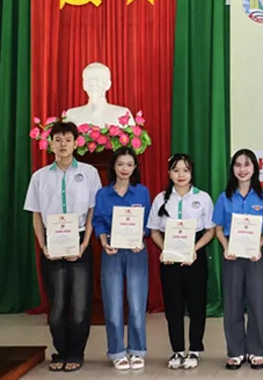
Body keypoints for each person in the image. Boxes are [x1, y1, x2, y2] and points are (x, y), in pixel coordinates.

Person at [24, 121, 102, 372]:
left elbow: (93, 211)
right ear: (50, 144)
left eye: (68, 139)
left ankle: (76, 352)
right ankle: (61, 351)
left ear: (76, 143)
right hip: (52, 242)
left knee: (80, 304)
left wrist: (85, 243)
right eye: (57, 140)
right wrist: (43, 246)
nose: (63, 144)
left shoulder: (89, 173)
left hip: (79, 240)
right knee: (56, 306)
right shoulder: (39, 177)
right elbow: (36, 215)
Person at [147, 153, 215, 369]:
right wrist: (164, 249)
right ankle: (176, 350)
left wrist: (194, 249)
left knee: (196, 305)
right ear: (169, 173)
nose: (181, 175)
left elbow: (210, 231)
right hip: (170, 257)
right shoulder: (161, 199)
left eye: (185, 170)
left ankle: (194, 350)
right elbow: (154, 230)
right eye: (176, 170)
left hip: (195, 254)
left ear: (191, 173)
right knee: (173, 306)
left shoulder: (203, 198)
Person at [213, 149, 263, 370]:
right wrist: (226, 246)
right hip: (233, 253)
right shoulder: (225, 197)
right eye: (237, 165)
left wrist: (259, 245)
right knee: (232, 302)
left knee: (256, 302)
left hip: (255, 253)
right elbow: (218, 228)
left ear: (255, 168)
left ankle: (256, 350)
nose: (242, 169)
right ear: (232, 169)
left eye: (247, 164)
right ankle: (236, 351)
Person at [92, 147, 151, 370]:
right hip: (112, 251)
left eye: (129, 164)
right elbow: (98, 221)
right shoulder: (103, 194)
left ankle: (137, 350)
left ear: (135, 167)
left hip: (136, 252)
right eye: (120, 164)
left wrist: (141, 236)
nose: (124, 168)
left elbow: (148, 222)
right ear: (113, 167)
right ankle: (117, 351)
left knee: (136, 303)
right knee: (113, 303)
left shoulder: (142, 192)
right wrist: (103, 241)